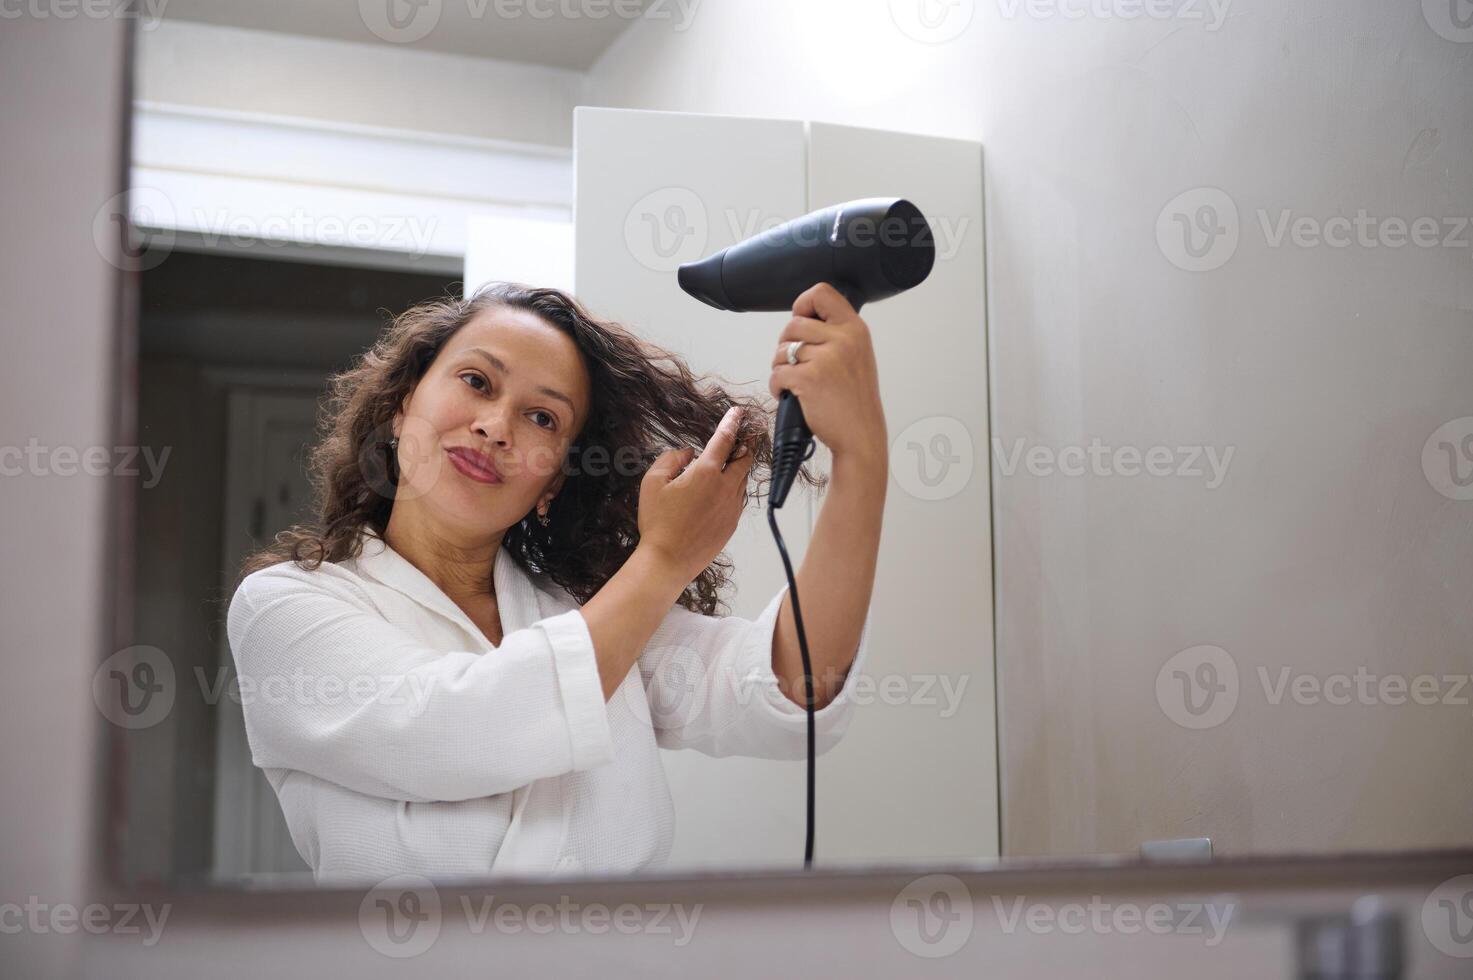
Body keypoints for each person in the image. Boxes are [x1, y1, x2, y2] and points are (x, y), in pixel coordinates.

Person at [225, 280, 887, 883]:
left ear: (553, 484)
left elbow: (787, 685)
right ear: (400, 405)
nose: (495, 427)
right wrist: (661, 562)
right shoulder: (287, 609)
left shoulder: (589, 615)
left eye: (542, 418)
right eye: (477, 381)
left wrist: (861, 461)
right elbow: (451, 731)